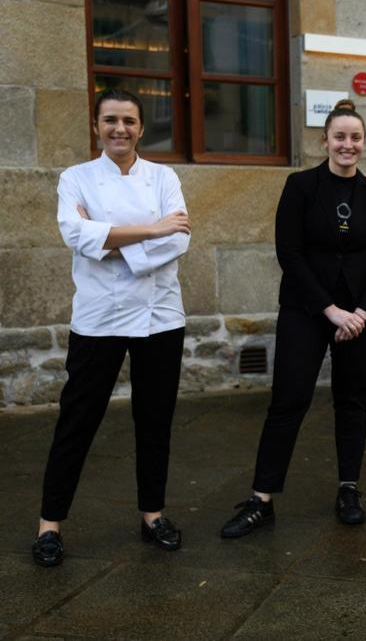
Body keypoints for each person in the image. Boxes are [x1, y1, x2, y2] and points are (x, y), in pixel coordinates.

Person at [220, 99, 366, 538]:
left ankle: (349, 488)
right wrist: (331, 310)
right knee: (288, 400)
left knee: (352, 400)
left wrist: (359, 311)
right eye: (340, 137)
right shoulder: (300, 186)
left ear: (363, 143)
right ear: (325, 141)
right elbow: (290, 254)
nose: (348, 145)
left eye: (355, 138)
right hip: (306, 309)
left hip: (359, 315)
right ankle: (262, 499)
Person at [34, 88, 193, 567]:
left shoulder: (164, 177)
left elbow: (180, 239)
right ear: (96, 126)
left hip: (160, 317)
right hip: (99, 317)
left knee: (155, 419)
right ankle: (49, 526)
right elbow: (76, 236)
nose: (119, 129)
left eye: (128, 121)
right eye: (110, 120)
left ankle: (153, 516)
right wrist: (150, 230)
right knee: (77, 420)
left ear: (142, 128)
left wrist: (106, 237)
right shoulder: (75, 178)